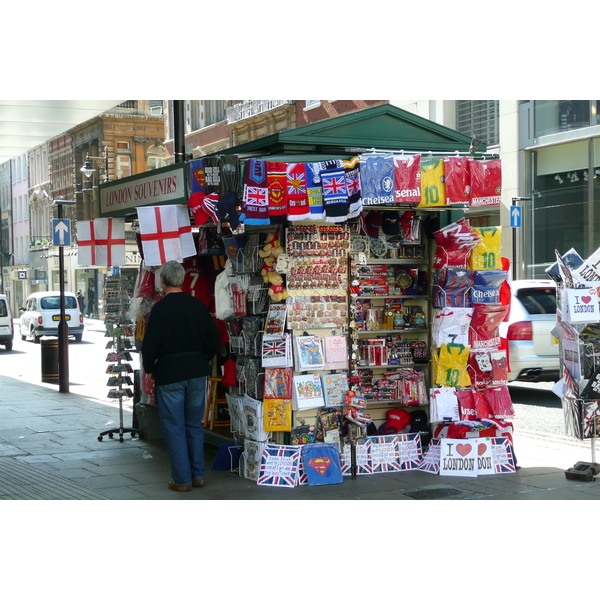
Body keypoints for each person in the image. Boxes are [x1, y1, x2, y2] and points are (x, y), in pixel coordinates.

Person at [141, 260, 221, 492]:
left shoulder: (160, 309)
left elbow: (150, 346)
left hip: (170, 373)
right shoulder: (197, 305)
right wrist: (202, 359)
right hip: (197, 371)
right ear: (183, 280)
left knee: (174, 426)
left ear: (162, 282)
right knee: (194, 424)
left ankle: (182, 480)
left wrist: (151, 369)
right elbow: (213, 340)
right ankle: (198, 475)